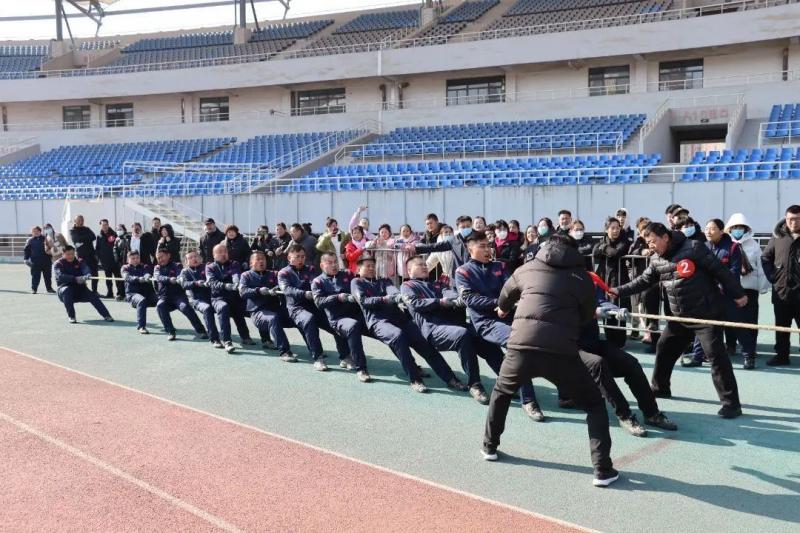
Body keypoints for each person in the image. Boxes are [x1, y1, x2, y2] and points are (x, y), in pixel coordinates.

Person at [481, 234, 618, 488]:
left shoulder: (526, 268)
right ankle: (602, 470)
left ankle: (489, 447)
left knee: (501, 392)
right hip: (561, 351)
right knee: (594, 404)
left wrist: (504, 308)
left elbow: (504, 297)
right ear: (574, 251)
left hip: (521, 347)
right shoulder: (582, 277)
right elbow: (587, 315)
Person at [610, 222, 747, 418]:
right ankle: (660, 388)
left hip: (706, 314)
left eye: (653, 242)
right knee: (664, 347)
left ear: (665, 237)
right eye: (648, 243)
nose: (651, 246)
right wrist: (618, 291)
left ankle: (732, 404)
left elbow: (720, 271)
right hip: (680, 316)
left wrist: (738, 294)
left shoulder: (694, 248)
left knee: (716, 357)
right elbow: (643, 281)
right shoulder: (656, 259)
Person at [455, 231, 544, 422]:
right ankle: (529, 400)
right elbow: (470, 299)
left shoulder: (500, 266)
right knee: (518, 346)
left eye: (488, 245)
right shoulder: (463, 271)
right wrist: (499, 303)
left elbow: (512, 288)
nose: (487, 249)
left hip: (511, 316)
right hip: (486, 322)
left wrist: (506, 304)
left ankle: (515, 386)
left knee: (523, 350)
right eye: (482, 246)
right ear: (470, 249)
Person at [580, 272, 677, 437]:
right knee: (598, 365)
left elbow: (601, 300)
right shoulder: (556, 281)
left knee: (631, 364)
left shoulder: (589, 278)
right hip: (570, 347)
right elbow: (561, 310)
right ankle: (624, 415)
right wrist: (592, 312)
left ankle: (651, 413)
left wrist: (615, 309)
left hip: (592, 342)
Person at [351, 255, 466, 393]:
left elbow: (394, 292)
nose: (371, 268)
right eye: (367, 266)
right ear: (358, 269)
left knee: (424, 342)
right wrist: (384, 299)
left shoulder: (384, 281)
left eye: (373, 266)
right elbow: (363, 301)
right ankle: (415, 379)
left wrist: (396, 296)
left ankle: (451, 378)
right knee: (398, 336)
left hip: (400, 318)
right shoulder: (356, 282)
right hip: (379, 321)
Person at [402, 255, 505, 404]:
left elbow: (451, 294)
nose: (425, 266)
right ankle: (475, 384)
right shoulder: (407, 286)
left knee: (484, 336)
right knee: (463, 335)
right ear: (409, 270)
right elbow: (416, 303)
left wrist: (456, 299)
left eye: (425, 264)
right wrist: (440, 302)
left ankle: (507, 382)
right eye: (420, 265)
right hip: (434, 329)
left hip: (456, 325)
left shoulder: (438, 284)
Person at [278, 244, 351, 370]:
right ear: (289, 257)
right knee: (309, 319)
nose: (301, 259)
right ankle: (318, 358)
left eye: (303, 256)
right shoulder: (283, 273)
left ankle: (345, 357)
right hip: (296, 308)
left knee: (334, 321)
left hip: (314, 305)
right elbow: (287, 289)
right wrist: (304, 293)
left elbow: (316, 283)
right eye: (297, 256)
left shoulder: (311, 269)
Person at [683, 219, 743, 367]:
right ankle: (698, 356)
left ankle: (746, 355)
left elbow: (733, 273)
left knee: (727, 326)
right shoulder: (702, 247)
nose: (708, 232)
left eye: (712, 229)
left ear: (721, 231)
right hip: (706, 294)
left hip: (725, 294)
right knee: (702, 325)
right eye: (707, 228)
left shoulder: (733, 247)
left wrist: (719, 285)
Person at [312, 252, 371, 382]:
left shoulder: (347, 274)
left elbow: (360, 284)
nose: (334, 265)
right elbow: (319, 302)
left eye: (336, 262)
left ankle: (411, 367)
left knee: (384, 327)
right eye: (330, 263)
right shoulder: (318, 281)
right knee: (353, 326)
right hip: (338, 319)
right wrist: (338, 297)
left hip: (357, 314)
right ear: (322, 265)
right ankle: (361, 369)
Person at [726, 213, 771, 369]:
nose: (737, 230)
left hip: (749, 288)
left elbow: (761, 267)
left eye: (740, 227)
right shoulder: (726, 244)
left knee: (750, 319)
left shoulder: (753, 245)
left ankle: (751, 347)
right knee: (730, 318)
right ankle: (730, 345)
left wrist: (762, 286)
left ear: (746, 229)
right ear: (729, 229)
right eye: (734, 227)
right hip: (731, 288)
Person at [761, 204, 800, 366]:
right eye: (790, 219)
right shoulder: (778, 236)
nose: (793, 222)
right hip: (781, 291)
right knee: (781, 327)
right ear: (785, 219)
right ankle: (782, 356)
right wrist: (773, 277)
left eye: (797, 219)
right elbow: (765, 258)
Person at [240, 251, 295, 362]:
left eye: (263, 259)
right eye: (258, 259)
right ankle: (285, 351)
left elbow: (284, 285)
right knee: (273, 318)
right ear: (251, 263)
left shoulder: (274, 274)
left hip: (276, 310)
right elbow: (243, 292)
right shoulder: (246, 275)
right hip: (257, 312)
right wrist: (258, 291)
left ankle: (316, 350)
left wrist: (277, 288)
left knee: (300, 318)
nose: (261, 261)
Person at [206, 243, 254, 353]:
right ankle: (227, 341)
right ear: (214, 255)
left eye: (225, 252)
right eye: (220, 252)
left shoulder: (234, 263)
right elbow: (212, 282)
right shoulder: (210, 267)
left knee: (238, 310)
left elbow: (235, 274)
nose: (223, 254)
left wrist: (236, 282)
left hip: (234, 296)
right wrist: (225, 286)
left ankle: (245, 337)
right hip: (218, 298)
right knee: (223, 307)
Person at [593, 216, 632, 347]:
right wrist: (604, 248)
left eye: (617, 228)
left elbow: (615, 253)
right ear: (606, 229)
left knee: (618, 309)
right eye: (612, 228)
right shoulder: (603, 240)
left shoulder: (624, 240)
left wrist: (603, 248)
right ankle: (610, 340)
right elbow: (595, 251)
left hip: (619, 280)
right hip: (604, 280)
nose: (616, 230)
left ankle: (620, 341)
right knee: (606, 308)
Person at [153, 249, 207, 342]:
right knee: (160, 305)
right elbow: (158, 277)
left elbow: (180, 276)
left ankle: (201, 331)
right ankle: (170, 331)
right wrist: (169, 279)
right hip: (164, 297)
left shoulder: (177, 265)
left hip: (178, 296)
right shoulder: (157, 268)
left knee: (185, 307)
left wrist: (178, 278)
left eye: (162, 257)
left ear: (168, 255)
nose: (160, 259)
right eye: (158, 258)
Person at [52, 245, 113, 324]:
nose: (71, 256)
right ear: (63, 254)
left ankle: (107, 315)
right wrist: (75, 279)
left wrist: (87, 274)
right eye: (68, 254)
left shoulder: (80, 261)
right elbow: (60, 277)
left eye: (72, 254)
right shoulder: (58, 264)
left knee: (93, 296)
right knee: (67, 290)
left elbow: (85, 268)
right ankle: (71, 316)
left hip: (80, 289)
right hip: (64, 290)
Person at [179, 250, 223, 349]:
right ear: (186, 261)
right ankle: (215, 339)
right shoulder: (185, 271)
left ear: (200, 258)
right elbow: (184, 284)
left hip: (213, 297)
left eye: (195, 256)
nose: (194, 259)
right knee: (207, 309)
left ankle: (241, 337)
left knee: (226, 307)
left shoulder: (207, 267)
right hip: (197, 300)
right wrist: (196, 283)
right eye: (190, 258)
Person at [628, 217, 660, 349]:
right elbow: (630, 254)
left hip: (653, 281)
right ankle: (637, 330)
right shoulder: (637, 242)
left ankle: (650, 334)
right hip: (638, 279)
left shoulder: (655, 240)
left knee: (650, 308)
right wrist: (641, 251)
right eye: (643, 229)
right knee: (636, 308)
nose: (646, 232)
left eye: (648, 228)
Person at [121, 251, 157, 335]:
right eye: (133, 258)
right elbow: (127, 277)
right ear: (128, 260)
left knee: (162, 301)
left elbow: (147, 273)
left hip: (148, 293)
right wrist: (138, 279)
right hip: (133, 294)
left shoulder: (145, 266)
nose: (135, 260)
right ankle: (141, 327)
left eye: (137, 258)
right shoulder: (125, 268)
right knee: (141, 300)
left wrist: (147, 276)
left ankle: (168, 326)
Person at [69, 215, 99, 293]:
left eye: (82, 220)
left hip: (91, 255)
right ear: (75, 221)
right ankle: (83, 292)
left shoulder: (87, 229)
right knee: (82, 275)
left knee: (95, 274)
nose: (81, 222)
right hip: (81, 257)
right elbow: (76, 239)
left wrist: (82, 240)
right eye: (79, 220)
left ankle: (95, 291)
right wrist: (86, 238)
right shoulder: (72, 231)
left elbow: (93, 237)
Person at [95, 219, 123, 300]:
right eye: (103, 225)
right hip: (105, 262)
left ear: (108, 225)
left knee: (118, 278)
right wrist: (98, 259)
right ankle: (110, 293)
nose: (104, 226)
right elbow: (97, 248)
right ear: (101, 226)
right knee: (108, 279)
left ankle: (120, 293)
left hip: (115, 261)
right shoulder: (99, 236)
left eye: (106, 224)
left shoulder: (114, 234)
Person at [24, 226, 54, 294]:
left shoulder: (46, 238)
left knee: (48, 276)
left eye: (37, 231)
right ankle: (34, 289)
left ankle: (49, 288)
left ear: (40, 231)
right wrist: (25, 259)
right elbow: (26, 250)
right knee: (35, 276)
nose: (35, 233)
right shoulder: (30, 240)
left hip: (46, 261)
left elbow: (52, 248)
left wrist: (52, 256)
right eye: (33, 231)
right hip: (35, 262)